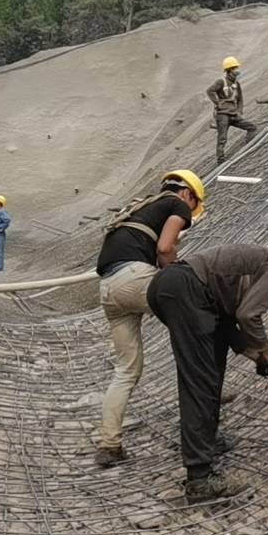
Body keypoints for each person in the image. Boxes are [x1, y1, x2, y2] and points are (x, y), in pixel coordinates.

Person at [146, 240, 268, 503]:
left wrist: (258, 358)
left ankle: (207, 438)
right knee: (200, 382)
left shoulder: (256, 273)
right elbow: (249, 315)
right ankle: (200, 479)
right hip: (186, 290)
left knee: (211, 371)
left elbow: (228, 325)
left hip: (180, 291)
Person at [90, 170, 206, 468]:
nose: (188, 214)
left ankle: (109, 444)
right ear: (187, 195)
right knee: (198, 319)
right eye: (193, 207)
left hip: (108, 289)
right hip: (134, 277)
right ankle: (208, 395)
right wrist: (176, 271)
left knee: (127, 370)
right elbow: (165, 248)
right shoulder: (177, 204)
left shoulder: (141, 204)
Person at [208, 56, 258, 163]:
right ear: (229, 70)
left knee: (252, 127)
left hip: (233, 114)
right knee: (222, 138)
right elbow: (210, 91)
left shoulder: (236, 84)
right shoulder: (221, 82)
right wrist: (218, 103)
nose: (237, 70)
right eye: (235, 68)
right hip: (223, 115)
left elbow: (240, 99)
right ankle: (221, 160)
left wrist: (239, 111)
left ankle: (249, 145)